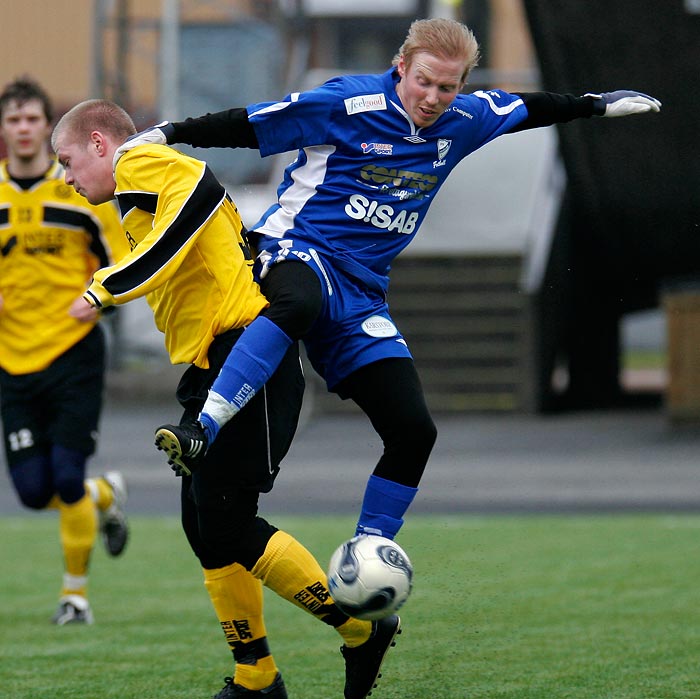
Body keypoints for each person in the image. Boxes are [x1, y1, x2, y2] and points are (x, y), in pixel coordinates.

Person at [121, 16, 662, 540]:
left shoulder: (466, 119)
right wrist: (171, 133)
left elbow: (529, 106)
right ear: (400, 66)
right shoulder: (347, 102)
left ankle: (370, 551)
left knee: (413, 432)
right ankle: (203, 427)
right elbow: (252, 121)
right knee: (299, 303)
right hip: (297, 249)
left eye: (446, 88)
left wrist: (596, 105)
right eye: (422, 81)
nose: (431, 97)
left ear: (462, 87)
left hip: (362, 293)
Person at [52, 98, 401, 699]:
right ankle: (256, 676)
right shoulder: (131, 195)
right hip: (211, 365)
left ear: (102, 145)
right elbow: (185, 240)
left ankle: (359, 628)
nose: (65, 175)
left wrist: (104, 287)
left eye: (68, 160)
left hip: (250, 360)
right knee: (202, 524)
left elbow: (194, 204)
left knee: (226, 522)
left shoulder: (141, 163)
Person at [0, 77, 130, 625]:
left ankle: (74, 597)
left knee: (66, 475)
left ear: (46, 125)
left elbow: (126, 261)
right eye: (14, 119)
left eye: (33, 118)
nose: (24, 128)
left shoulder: (77, 187)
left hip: (74, 352)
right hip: (12, 362)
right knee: (34, 492)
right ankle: (104, 496)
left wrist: (102, 301)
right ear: (4, 129)